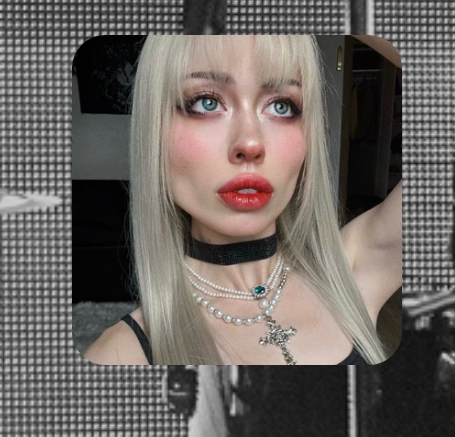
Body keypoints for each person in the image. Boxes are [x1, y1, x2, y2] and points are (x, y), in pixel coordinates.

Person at [83, 35, 401, 365]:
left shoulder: (354, 270)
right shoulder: (117, 356)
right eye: (206, 102)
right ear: (155, 130)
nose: (250, 143)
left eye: (281, 106)